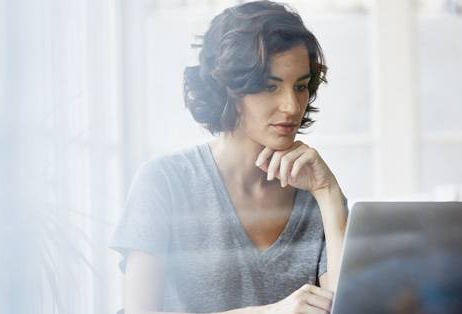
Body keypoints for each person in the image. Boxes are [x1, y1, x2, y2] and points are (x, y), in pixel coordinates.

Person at [109, 1, 349, 313]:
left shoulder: (317, 193)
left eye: (301, 86)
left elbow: (349, 306)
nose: (292, 106)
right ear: (227, 89)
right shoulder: (163, 183)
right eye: (269, 86)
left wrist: (328, 193)